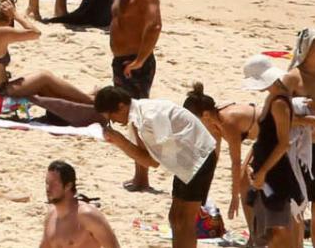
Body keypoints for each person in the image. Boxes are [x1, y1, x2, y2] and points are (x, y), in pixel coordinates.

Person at [92, 87, 220, 248]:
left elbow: (151, 162)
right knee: (175, 217)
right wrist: (120, 141)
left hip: (199, 157)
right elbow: (148, 157)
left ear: (121, 106)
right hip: (185, 160)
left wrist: (120, 141)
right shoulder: (139, 115)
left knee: (185, 220)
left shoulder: (148, 118)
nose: (114, 121)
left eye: (111, 116)